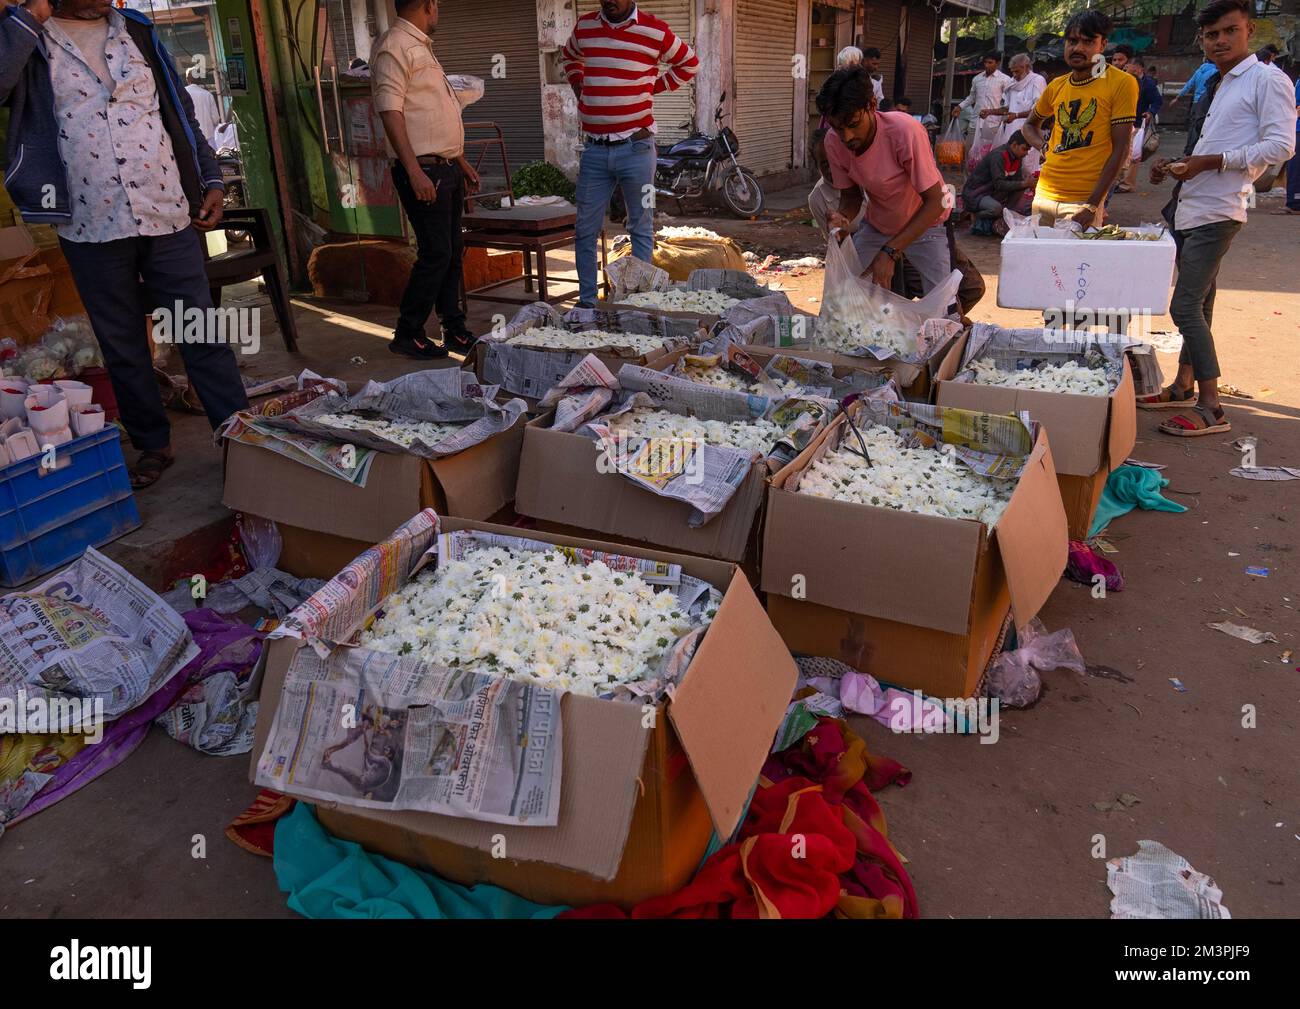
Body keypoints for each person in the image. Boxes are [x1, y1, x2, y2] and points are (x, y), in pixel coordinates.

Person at [0, 0, 247, 490]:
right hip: (89, 220)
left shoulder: (137, 29)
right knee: (123, 343)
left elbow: (178, 111)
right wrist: (30, 16)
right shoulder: (26, 34)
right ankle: (153, 442)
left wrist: (211, 178)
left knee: (198, 330)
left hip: (165, 208)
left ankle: (238, 436)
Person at [1141, 0, 1296, 437]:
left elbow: (1282, 146)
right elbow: (1216, 144)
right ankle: (1184, 385)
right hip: (1193, 204)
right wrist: (1182, 164)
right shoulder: (1219, 81)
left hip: (1219, 210)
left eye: (1229, 31)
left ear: (1249, 30)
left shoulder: (1268, 79)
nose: (1220, 41)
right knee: (1201, 302)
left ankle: (1212, 406)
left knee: (1184, 306)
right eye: (1212, 35)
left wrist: (1211, 163)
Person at [562, 0, 698, 308]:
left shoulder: (655, 30)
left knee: (640, 225)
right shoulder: (585, 26)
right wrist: (578, 84)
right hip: (595, 150)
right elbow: (569, 56)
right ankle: (586, 305)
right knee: (585, 228)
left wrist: (652, 87)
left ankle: (638, 304)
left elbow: (689, 64)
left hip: (637, 149)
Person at [372, 0, 480, 359]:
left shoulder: (420, 46)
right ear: (429, 5)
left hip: (443, 167)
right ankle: (409, 331)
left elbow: (430, 113)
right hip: (423, 171)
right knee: (435, 254)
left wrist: (459, 160)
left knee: (450, 254)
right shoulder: (394, 46)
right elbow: (391, 111)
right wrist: (414, 171)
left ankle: (455, 329)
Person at [818, 65, 952, 295]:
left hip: (926, 223)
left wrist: (890, 252)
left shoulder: (904, 131)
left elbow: (936, 201)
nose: (846, 137)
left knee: (943, 307)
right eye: (838, 128)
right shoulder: (834, 141)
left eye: (852, 125)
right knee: (846, 295)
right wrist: (843, 218)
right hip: (879, 225)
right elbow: (851, 196)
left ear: (871, 105)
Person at [1021, 10, 1138, 226]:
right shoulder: (1057, 85)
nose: (1078, 48)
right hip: (1044, 194)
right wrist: (1044, 147)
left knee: (1077, 261)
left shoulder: (1121, 82)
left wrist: (1093, 205)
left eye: (1088, 41)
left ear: (1102, 45)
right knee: (1041, 259)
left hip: (1082, 200)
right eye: (1072, 41)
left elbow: (1121, 148)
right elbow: (1029, 126)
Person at [962, 131, 1033, 235]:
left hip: (993, 192)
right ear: (1014, 145)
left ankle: (1003, 216)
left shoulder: (1017, 158)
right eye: (1024, 149)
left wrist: (1024, 184)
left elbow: (1016, 181)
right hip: (976, 193)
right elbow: (999, 184)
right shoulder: (998, 156)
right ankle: (976, 215)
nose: (1026, 153)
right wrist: (1024, 184)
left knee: (1019, 189)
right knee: (996, 209)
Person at [992, 53, 1048, 176]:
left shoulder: (1037, 80)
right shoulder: (1012, 83)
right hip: (1011, 131)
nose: (1014, 75)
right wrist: (991, 111)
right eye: (1012, 72)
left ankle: (1031, 190)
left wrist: (1016, 115)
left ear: (1026, 67)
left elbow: (1038, 110)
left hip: (1030, 130)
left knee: (1028, 166)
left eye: (1017, 71)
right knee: (1011, 163)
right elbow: (1007, 107)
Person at [953, 53, 1011, 164]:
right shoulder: (977, 79)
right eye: (985, 62)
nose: (987, 65)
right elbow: (971, 98)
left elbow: (1008, 102)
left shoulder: (1005, 80)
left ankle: (985, 180)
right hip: (975, 122)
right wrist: (959, 107)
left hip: (992, 124)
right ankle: (969, 180)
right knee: (970, 154)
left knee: (989, 155)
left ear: (997, 63)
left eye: (990, 62)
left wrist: (1003, 118)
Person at [1116, 56, 1163, 193]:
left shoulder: (1147, 83)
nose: (1125, 67)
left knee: (1133, 154)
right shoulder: (1124, 80)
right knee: (1120, 152)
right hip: (1122, 121)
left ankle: (1127, 184)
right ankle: (1116, 181)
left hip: (1137, 122)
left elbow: (1157, 101)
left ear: (1138, 68)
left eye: (1128, 65)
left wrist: (1150, 112)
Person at [807, 127, 863, 238]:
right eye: (825, 164)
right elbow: (835, 240)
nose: (832, 169)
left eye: (835, 161)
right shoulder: (817, 198)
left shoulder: (865, 178)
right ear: (817, 165)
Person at [184, 64, 221, 149]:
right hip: (209, 140)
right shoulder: (207, 95)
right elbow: (216, 119)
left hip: (190, 139)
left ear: (187, 80)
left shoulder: (182, 94)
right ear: (199, 80)